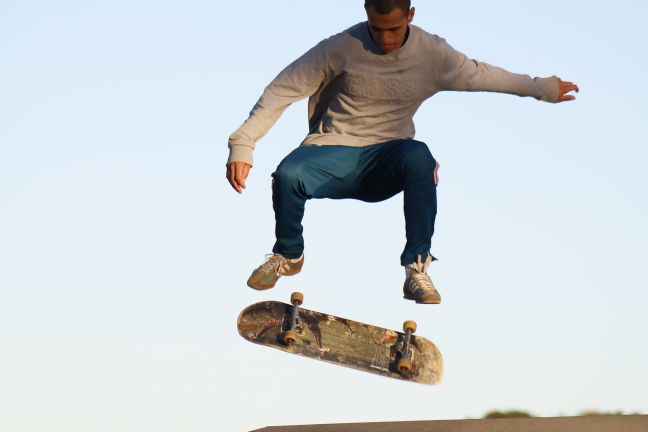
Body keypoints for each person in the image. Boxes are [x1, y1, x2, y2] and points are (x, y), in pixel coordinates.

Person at [226, 0, 578, 304]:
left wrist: (541, 88)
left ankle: (416, 268)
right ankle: (288, 254)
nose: (385, 40)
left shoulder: (433, 55)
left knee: (420, 157)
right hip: (332, 152)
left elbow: (482, 76)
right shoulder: (339, 47)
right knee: (288, 173)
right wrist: (244, 143)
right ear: (365, 14)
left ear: (411, 15)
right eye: (377, 30)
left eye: (394, 29)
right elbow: (281, 90)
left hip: (386, 161)